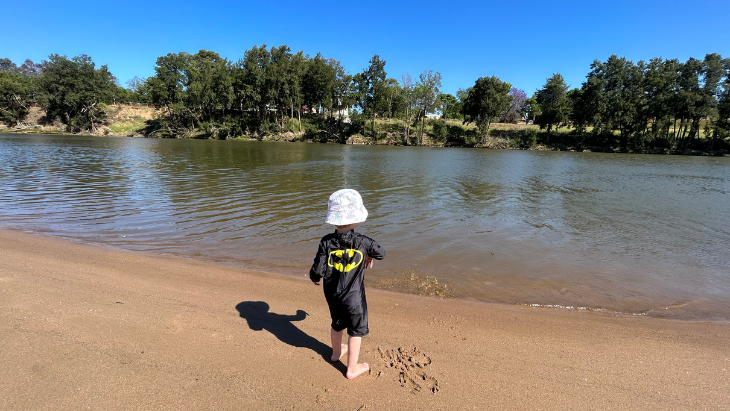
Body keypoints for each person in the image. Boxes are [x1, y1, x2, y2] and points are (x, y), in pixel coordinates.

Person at [309, 189, 385, 380]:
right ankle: (351, 368)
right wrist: (367, 254)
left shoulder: (326, 242)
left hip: (332, 294)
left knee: (337, 325)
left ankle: (335, 354)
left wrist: (315, 277)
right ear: (357, 218)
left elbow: (316, 270)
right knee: (355, 331)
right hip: (354, 298)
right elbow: (381, 253)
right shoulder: (363, 242)